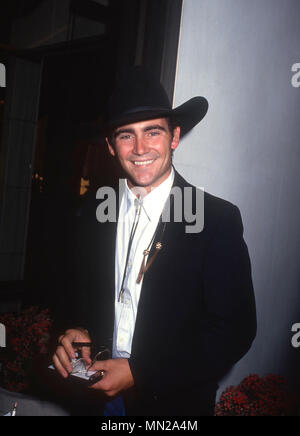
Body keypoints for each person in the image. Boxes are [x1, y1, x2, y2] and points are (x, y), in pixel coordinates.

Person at [52, 67, 257, 416]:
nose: (140, 148)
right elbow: (78, 295)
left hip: (171, 407)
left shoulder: (215, 220)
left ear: (174, 137)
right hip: (94, 401)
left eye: (152, 131)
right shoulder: (93, 214)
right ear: (111, 147)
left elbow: (235, 331)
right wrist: (76, 330)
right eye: (125, 135)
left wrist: (140, 372)